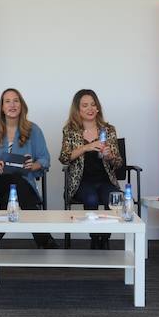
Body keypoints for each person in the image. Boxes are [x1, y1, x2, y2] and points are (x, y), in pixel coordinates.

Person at [0, 88, 56, 248]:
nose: (12, 105)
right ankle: (44, 239)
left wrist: (34, 165)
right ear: (2, 107)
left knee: (15, 181)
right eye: (7, 101)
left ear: (22, 105)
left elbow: (45, 159)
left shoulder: (33, 130)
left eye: (16, 100)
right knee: (12, 179)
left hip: (21, 187)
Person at [58, 89, 123, 249]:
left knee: (113, 197)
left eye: (93, 105)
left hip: (105, 180)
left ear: (98, 107)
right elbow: (64, 158)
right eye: (85, 105)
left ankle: (105, 237)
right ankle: (94, 237)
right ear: (78, 109)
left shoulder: (108, 130)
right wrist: (86, 147)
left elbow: (118, 162)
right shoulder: (70, 130)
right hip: (81, 182)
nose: (90, 109)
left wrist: (109, 156)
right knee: (91, 199)